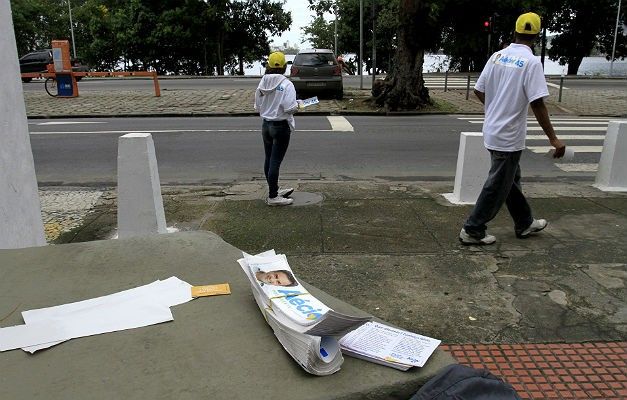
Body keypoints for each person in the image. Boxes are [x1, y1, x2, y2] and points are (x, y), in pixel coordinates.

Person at [459, 12, 566, 245]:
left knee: (510, 180)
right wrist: (554, 139)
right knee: (498, 185)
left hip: (493, 130)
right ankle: (472, 229)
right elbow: (537, 103)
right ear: (536, 37)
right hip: (509, 137)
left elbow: (479, 89)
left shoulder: (497, 56)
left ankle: (524, 221)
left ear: (515, 32)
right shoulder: (531, 62)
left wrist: (496, 107)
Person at [254, 51, 302, 206]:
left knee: (268, 159)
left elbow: (258, 105)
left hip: (266, 125)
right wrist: (299, 105)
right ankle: (273, 197)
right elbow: (289, 108)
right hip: (280, 126)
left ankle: (273, 189)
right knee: (275, 161)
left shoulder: (262, 83)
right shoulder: (287, 84)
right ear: (284, 67)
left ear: (268, 65)